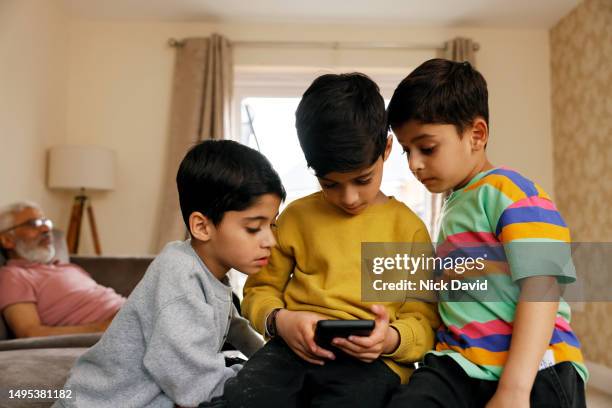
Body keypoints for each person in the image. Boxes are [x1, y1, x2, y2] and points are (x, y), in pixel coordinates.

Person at [209, 73, 440, 408]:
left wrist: (389, 339)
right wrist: (279, 320)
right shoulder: (295, 218)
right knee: (243, 399)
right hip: (290, 350)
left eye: (363, 179)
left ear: (386, 149)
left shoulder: (407, 230)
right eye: (330, 183)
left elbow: (423, 321)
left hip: (373, 363)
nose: (348, 198)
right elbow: (260, 290)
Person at [386, 58, 587, 408]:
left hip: (536, 366)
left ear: (476, 135)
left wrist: (515, 387)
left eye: (427, 148)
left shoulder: (511, 192)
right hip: (460, 363)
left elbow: (543, 284)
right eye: (407, 150)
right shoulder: (454, 205)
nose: (414, 163)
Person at [53, 140, 286, 407]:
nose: (270, 240)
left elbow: (233, 325)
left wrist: (267, 359)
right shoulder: (179, 276)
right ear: (201, 226)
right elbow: (194, 385)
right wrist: (255, 379)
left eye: (273, 224)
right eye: (254, 228)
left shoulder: (207, 269)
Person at [0, 202, 124, 338]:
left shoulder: (65, 267)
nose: (46, 229)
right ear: (7, 240)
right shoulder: (14, 275)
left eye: (45, 222)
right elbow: (30, 333)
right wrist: (105, 328)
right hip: (122, 328)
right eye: (33, 224)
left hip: (133, 314)